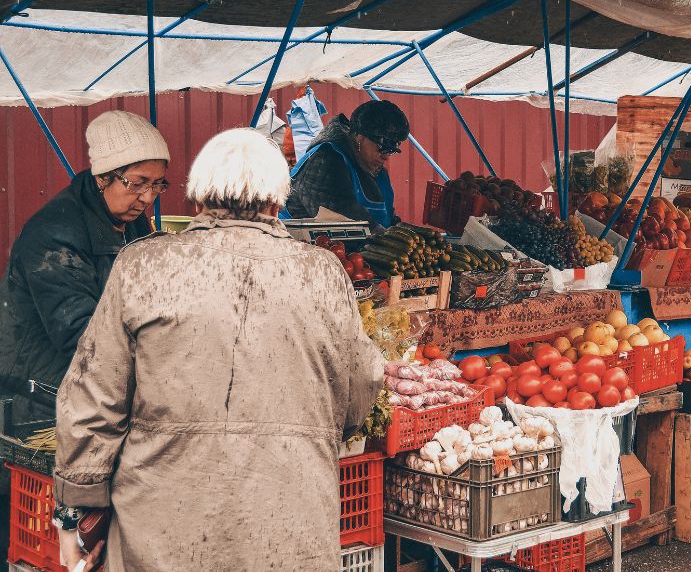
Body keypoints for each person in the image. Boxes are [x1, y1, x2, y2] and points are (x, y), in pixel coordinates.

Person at [52, 129, 384, 572]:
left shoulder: (143, 265)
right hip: (288, 524)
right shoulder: (322, 273)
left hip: (162, 531)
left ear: (198, 199)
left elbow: (92, 399)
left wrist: (75, 513)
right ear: (276, 201)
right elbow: (361, 387)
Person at [0, 110, 170, 418]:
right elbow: (82, 334)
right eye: (137, 183)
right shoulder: (54, 236)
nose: (147, 197)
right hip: (40, 396)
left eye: (157, 184)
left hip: (95, 388)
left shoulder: (131, 222)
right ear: (103, 177)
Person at [285, 99, 409, 228]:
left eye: (391, 151)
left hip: (364, 246)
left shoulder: (377, 170)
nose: (385, 156)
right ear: (359, 137)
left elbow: (386, 218)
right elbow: (343, 220)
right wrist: (386, 237)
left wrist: (403, 230)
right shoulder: (325, 160)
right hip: (299, 244)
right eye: (382, 147)